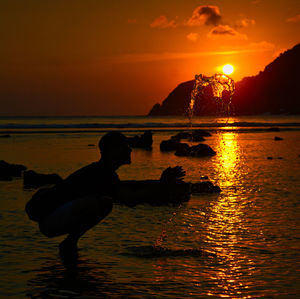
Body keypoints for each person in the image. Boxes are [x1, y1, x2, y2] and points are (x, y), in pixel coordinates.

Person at [26, 131, 132, 260]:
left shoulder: (104, 172)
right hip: (50, 220)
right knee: (97, 203)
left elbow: (121, 192)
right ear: (113, 151)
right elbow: (125, 198)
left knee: (104, 203)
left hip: (56, 217)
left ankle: (70, 242)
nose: (130, 150)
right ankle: (69, 243)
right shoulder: (101, 173)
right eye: (125, 146)